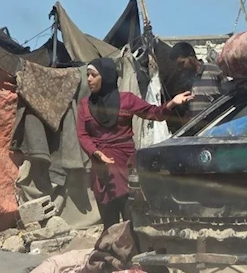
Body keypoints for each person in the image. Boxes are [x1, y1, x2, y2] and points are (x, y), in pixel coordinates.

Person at [76, 58, 193, 231]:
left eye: (93, 75)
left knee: (131, 221)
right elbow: (82, 134)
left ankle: (133, 255)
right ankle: (112, 255)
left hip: (125, 166)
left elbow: (154, 113)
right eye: (87, 75)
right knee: (110, 226)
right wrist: (95, 152)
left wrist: (171, 103)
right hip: (101, 171)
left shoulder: (127, 100)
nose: (89, 80)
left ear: (106, 77)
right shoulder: (85, 105)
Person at [169, 42, 226, 120]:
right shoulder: (182, 79)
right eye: (178, 66)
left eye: (182, 63)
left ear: (191, 56)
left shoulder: (214, 71)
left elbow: (229, 99)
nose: (180, 68)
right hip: (195, 130)